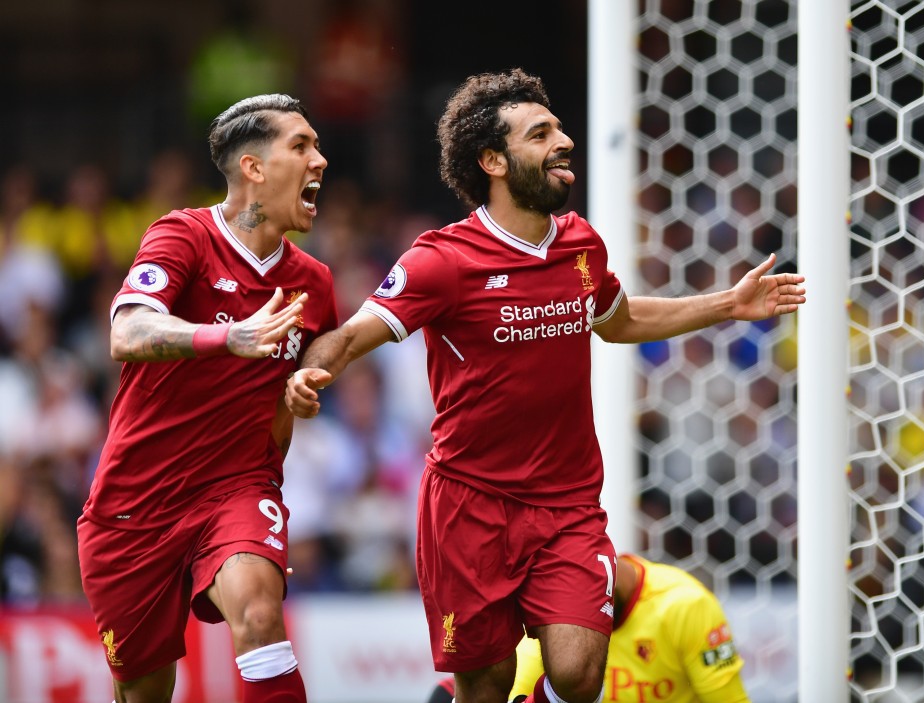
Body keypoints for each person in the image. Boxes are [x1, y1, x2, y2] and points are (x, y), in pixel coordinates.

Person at [285, 68, 805, 703]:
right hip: (468, 507)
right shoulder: (442, 261)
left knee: (580, 674)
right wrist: (311, 372)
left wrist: (727, 304)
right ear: (493, 160)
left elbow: (621, 321)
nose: (563, 142)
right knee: (486, 684)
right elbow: (352, 333)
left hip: (566, 505)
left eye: (559, 128)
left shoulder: (582, 245)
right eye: (540, 134)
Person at [78, 93, 337, 703]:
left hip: (238, 489)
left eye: (317, 146)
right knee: (143, 691)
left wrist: (301, 387)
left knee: (259, 614)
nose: (319, 160)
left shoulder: (314, 283)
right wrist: (229, 337)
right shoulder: (184, 235)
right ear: (252, 167)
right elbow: (128, 331)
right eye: (301, 146)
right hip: (135, 501)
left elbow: (307, 370)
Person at [426, 553, 751, 703]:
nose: (533, 625)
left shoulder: (685, 606)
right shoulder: (548, 614)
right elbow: (515, 690)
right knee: (447, 696)